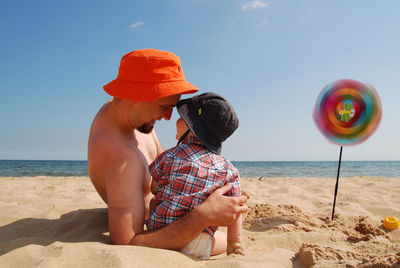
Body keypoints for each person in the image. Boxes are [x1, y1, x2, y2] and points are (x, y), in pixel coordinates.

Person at [87, 49, 248, 250]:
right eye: (165, 106)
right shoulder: (121, 157)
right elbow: (127, 241)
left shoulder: (126, 112)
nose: (169, 117)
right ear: (136, 95)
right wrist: (202, 215)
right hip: (163, 229)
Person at [146, 92, 245, 259]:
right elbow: (235, 209)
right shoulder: (229, 170)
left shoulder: (168, 156)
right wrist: (234, 242)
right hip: (198, 243)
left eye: (181, 118)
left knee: (153, 201)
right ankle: (235, 245)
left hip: (160, 236)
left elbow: (154, 188)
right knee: (219, 237)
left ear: (189, 127)